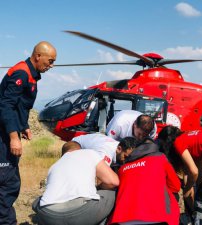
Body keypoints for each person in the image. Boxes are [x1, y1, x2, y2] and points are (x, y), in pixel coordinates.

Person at [0, 41, 56, 225]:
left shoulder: (31, 75)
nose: (51, 65)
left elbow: (19, 106)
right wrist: (13, 137)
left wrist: (24, 125)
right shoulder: (22, 73)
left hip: (7, 133)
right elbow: (6, 106)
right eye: (50, 61)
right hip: (3, 137)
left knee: (9, 181)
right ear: (38, 56)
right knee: (7, 184)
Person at [32, 141, 119, 225]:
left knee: (39, 200)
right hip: (81, 213)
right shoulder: (89, 153)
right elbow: (113, 181)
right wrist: (98, 188)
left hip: (49, 216)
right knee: (111, 193)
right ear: (80, 149)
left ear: (62, 154)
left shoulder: (54, 166)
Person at [109, 138, 181, 225]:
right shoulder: (160, 157)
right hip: (156, 218)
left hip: (122, 219)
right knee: (171, 194)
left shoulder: (123, 168)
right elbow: (176, 186)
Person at [72, 133, 138, 166]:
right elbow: (100, 174)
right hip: (74, 147)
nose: (125, 161)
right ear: (119, 149)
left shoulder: (120, 146)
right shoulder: (107, 152)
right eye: (125, 157)